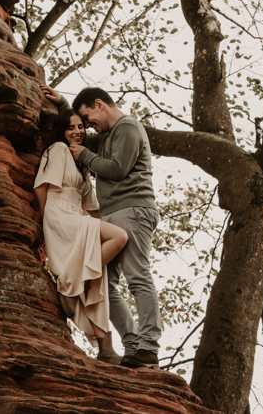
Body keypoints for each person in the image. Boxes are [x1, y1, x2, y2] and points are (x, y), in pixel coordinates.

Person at [41, 84, 162, 370]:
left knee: (138, 277)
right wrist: (63, 103)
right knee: (106, 284)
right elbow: (76, 132)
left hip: (132, 210)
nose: (88, 126)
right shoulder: (106, 135)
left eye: (89, 118)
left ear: (100, 104)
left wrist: (83, 156)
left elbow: (117, 169)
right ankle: (132, 347)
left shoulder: (128, 128)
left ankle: (149, 347)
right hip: (112, 213)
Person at [34, 108, 129, 363]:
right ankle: (70, 284)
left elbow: (92, 209)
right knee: (119, 237)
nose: (77, 132)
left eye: (80, 127)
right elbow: (42, 188)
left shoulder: (82, 163)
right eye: (71, 127)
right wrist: (45, 224)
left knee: (97, 273)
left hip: (78, 216)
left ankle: (105, 349)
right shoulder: (57, 149)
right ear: (61, 131)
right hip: (59, 215)